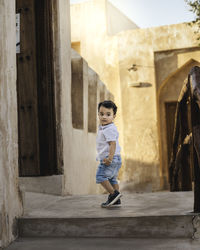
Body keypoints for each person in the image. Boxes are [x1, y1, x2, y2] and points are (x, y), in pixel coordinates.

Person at [96, 100, 122, 208]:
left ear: (114, 116)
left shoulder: (109, 129)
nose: (104, 117)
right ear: (98, 114)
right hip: (116, 158)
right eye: (101, 114)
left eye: (108, 114)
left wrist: (109, 158)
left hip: (110, 159)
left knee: (100, 176)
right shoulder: (105, 127)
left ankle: (114, 194)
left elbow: (112, 144)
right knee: (112, 179)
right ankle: (116, 200)